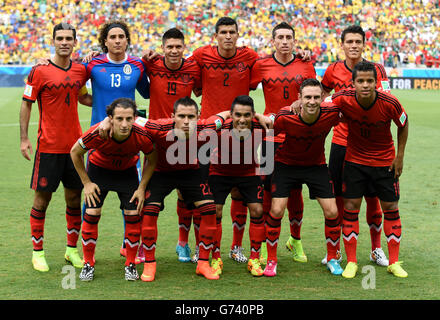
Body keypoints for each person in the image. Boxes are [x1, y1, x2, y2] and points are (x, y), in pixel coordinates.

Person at [20, 22, 91, 272]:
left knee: (73, 199)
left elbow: (83, 97)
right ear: (53, 41)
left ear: (74, 42)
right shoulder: (38, 71)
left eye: (68, 38)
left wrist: (108, 103)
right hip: (48, 148)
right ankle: (37, 252)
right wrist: (24, 138)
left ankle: (71, 250)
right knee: (42, 200)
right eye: (59, 38)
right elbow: (27, 103)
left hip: (75, 149)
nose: (64, 42)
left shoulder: (81, 70)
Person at [138, 97, 231, 281]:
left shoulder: (207, 127)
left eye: (191, 116)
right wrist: (108, 121)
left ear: (198, 117)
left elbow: (225, 115)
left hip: (190, 172)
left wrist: (253, 116)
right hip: (161, 172)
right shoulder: (158, 127)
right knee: (149, 211)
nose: (186, 121)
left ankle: (203, 263)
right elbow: (134, 119)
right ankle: (149, 264)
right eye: (181, 116)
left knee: (209, 209)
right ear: (173, 116)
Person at [330, 61, 409, 278]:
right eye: (361, 81)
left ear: (376, 83)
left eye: (370, 81)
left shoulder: (389, 102)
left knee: (391, 208)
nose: (365, 85)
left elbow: (404, 123)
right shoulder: (342, 98)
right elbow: (322, 103)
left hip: (385, 163)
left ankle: (394, 262)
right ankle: (352, 262)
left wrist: (399, 156)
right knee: (351, 208)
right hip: (355, 162)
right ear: (353, 83)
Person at [320, 25, 390, 266]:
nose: (353, 45)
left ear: (364, 44)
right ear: (342, 44)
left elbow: (387, 101)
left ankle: (376, 249)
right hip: (341, 143)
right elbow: (322, 96)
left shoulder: (377, 70)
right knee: (339, 198)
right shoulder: (332, 70)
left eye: (357, 41)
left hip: (371, 146)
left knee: (373, 198)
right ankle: (335, 251)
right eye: (349, 41)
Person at [83, 20, 150, 260]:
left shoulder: (137, 65)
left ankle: (129, 243)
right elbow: (77, 88)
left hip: (129, 136)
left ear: (127, 40)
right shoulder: (92, 64)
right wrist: (94, 104)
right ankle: (86, 249)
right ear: (105, 41)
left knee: (131, 195)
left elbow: (148, 92)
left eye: (122, 36)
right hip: (99, 139)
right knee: (92, 195)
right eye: (113, 37)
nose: (118, 40)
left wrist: (152, 60)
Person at [250, 22, 316, 264]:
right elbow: (243, 88)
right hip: (270, 135)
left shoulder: (306, 64)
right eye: (281, 37)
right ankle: (269, 244)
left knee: (296, 190)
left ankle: (295, 240)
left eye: (289, 37)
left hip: (298, 135)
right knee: (268, 190)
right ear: (273, 41)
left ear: (294, 41)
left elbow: (313, 96)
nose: (285, 41)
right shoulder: (261, 65)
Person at [70, 98, 157, 281]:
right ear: (110, 118)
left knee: (133, 215)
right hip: (99, 171)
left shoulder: (142, 135)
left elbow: (152, 158)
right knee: (92, 213)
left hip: (127, 173)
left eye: (128, 119)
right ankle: (88, 263)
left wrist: (142, 188)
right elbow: (74, 152)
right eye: (119, 119)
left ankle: (131, 264)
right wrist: (86, 183)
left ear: (135, 118)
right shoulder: (98, 132)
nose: (124, 124)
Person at [264, 78, 344, 277]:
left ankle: (333, 258)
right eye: (307, 97)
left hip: (315, 166)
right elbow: (269, 132)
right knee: (276, 209)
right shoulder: (285, 116)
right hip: (286, 165)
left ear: (322, 98)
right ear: (299, 98)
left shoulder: (331, 114)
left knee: (332, 211)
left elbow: (349, 110)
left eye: (316, 97)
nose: (312, 101)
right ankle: (271, 260)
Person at [141, 27, 202, 263]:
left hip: (187, 137)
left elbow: (202, 89)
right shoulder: (151, 64)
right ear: (163, 47)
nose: (174, 51)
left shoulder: (193, 67)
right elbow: (126, 60)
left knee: (187, 193)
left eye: (178, 46)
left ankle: (184, 244)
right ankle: (136, 246)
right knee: (147, 195)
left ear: (184, 48)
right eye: (170, 47)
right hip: (156, 139)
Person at [208, 95, 266, 277]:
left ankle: (254, 259)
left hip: (248, 172)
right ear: (231, 115)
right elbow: (208, 122)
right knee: (215, 210)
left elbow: (277, 119)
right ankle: (216, 258)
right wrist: (223, 115)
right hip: (219, 171)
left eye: (247, 115)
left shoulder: (260, 127)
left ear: (253, 115)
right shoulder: (220, 128)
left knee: (257, 210)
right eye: (238, 115)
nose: (242, 119)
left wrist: (263, 117)